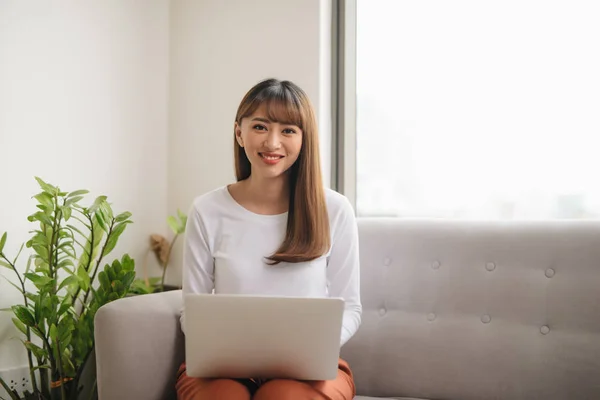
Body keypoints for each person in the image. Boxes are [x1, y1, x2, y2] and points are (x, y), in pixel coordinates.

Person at [176, 78, 362, 400]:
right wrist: (216, 346)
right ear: (239, 133)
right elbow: (191, 309)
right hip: (224, 368)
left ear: (304, 139)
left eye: (288, 130)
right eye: (260, 127)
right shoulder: (207, 210)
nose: (272, 143)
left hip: (306, 371)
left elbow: (352, 308)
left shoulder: (334, 209)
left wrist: (315, 350)